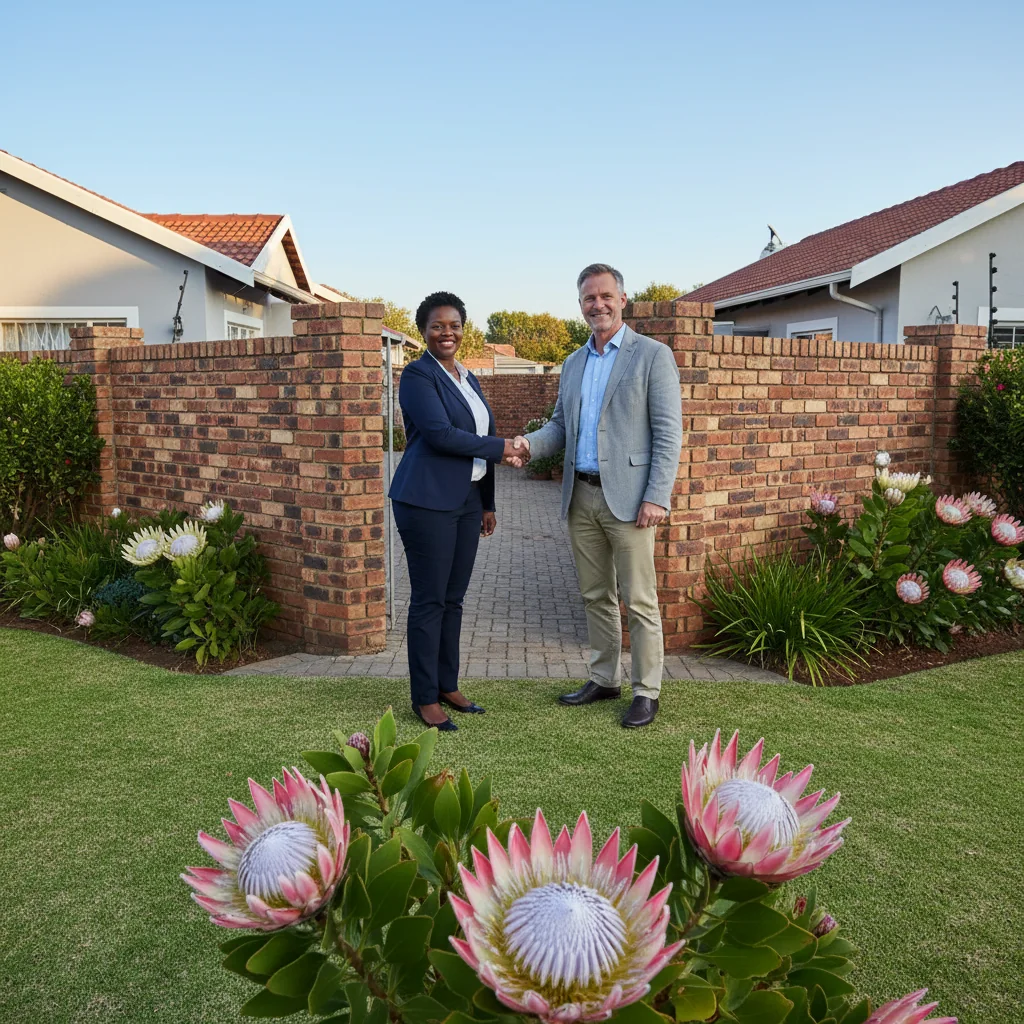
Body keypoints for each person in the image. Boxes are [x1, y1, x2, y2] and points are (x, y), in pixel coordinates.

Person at [514, 264, 683, 728]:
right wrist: (530, 445)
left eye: (606, 296)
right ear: (581, 304)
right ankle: (604, 677)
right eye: (590, 298)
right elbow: (560, 427)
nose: (598, 305)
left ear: (622, 300)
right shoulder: (572, 363)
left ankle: (646, 689)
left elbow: (669, 434)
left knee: (640, 599)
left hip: (630, 502)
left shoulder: (652, 355)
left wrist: (657, 496)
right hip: (581, 497)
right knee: (595, 595)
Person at [389, 291, 525, 733]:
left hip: (466, 502)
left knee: (454, 598)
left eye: (454, 325)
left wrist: (487, 502)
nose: (446, 333)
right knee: (429, 600)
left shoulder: (468, 378)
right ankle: (424, 698)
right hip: (425, 500)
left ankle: (448, 683)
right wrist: (505, 449)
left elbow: (479, 434)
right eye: (437, 326)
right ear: (423, 331)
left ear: (464, 329)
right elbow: (442, 435)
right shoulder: (416, 376)